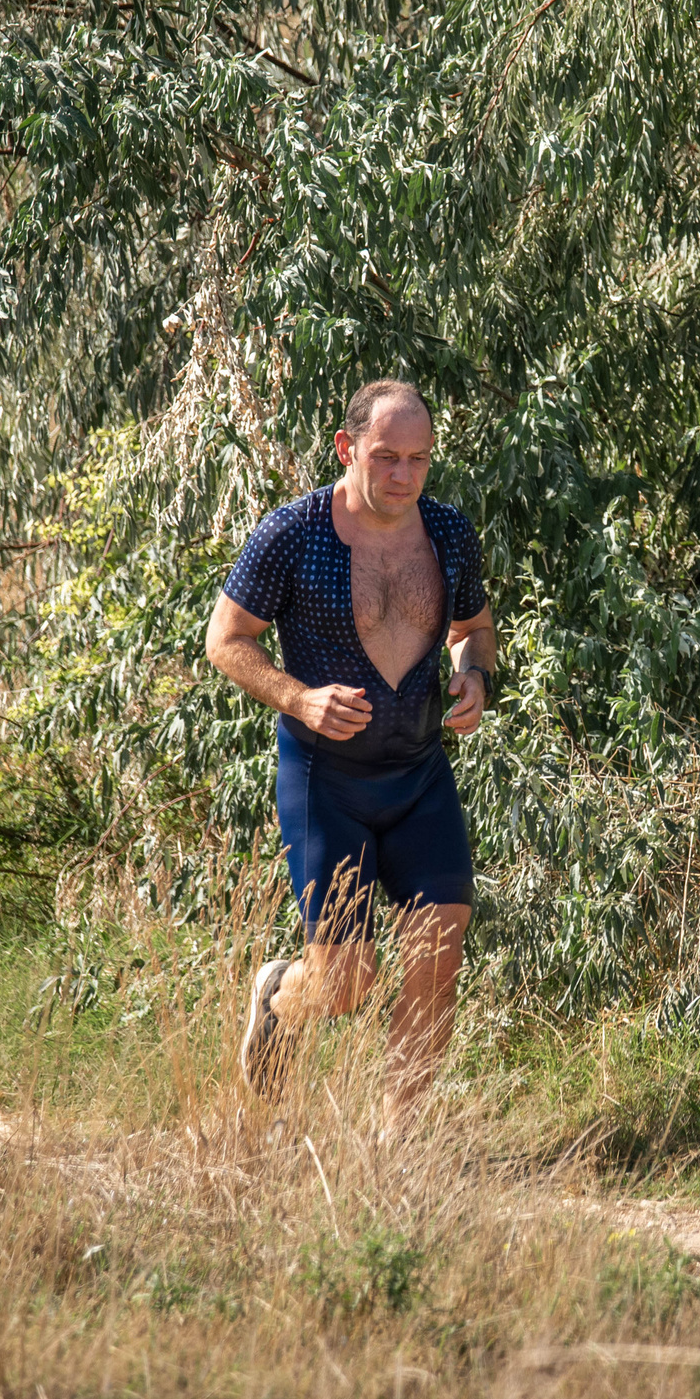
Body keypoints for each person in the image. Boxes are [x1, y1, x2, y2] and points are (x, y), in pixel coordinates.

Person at [204, 378, 496, 1124]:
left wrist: (474, 676)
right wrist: (299, 699)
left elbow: (474, 627)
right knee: (347, 981)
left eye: (419, 460)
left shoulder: (448, 533)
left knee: (438, 954)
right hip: (326, 778)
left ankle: (401, 1147)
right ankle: (280, 996)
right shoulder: (293, 534)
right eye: (386, 456)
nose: (402, 476)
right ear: (348, 448)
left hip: (420, 776)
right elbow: (225, 641)